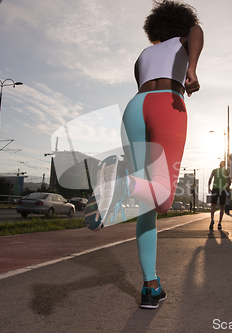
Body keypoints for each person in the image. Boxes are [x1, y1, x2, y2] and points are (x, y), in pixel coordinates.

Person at [87, 0, 203, 309]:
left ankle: (151, 287)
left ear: (155, 29)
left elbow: (145, 84)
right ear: (180, 24)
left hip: (134, 108)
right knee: (163, 199)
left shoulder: (143, 55)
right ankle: (122, 182)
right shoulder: (185, 38)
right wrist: (192, 69)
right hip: (167, 104)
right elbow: (197, 30)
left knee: (146, 202)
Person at [207, 161, 229, 230]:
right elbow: (228, 181)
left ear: (219, 165)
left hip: (215, 189)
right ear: (224, 165)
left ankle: (212, 219)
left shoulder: (215, 170)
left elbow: (210, 178)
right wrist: (227, 188)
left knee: (213, 205)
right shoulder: (226, 171)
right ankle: (219, 223)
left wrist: (209, 187)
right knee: (222, 207)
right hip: (223, 189)